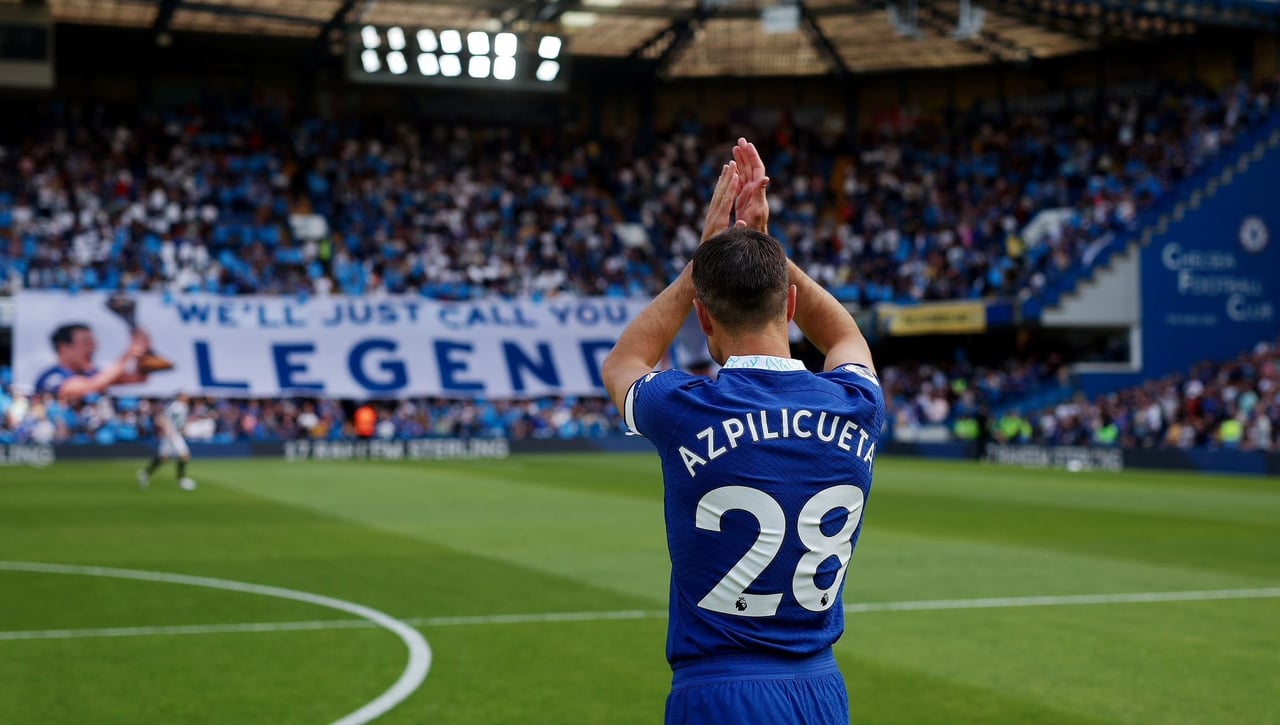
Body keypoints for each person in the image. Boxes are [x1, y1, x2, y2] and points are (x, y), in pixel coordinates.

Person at [602, 139, 884, 724]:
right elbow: (844, 338)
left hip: (720, 693)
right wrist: (765, 251)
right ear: (789, 305)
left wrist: (705, 261)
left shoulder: (687, 408)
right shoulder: (857, 404)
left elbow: (623, 364)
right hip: (822, 691)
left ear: (703, 315)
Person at [34, 323, 151, 402]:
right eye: (86, 343)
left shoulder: (91, 373)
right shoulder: (51, 378)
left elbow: (138, 378)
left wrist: (143, 351)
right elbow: (89, 387)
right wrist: (128, 354)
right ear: (63, 347)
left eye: (93, 343)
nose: (93, 348)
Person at [138, 392, 197, 491]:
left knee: (163, 458)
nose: (187, 397)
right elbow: (163, 418)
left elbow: (179, 421)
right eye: (185, 395)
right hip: (172, 435)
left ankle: (146, 473)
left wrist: (182, 429)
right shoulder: (175, 406)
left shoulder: (181, 406)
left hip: (173, 434)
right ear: (179, 396)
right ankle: (182, 480)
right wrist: (168, 430)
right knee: (184, 456)